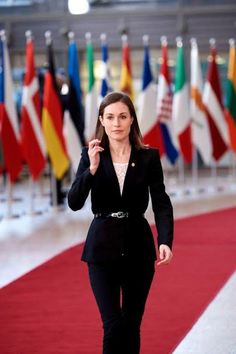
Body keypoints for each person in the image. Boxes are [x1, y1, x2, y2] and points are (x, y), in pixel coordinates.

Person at [67, 91, 174, 354]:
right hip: (101, 250)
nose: (116, 123)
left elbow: (161, 201)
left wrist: (165, 240)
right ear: (101, 121)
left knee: (131, 325)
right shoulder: (90, 155)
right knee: (113, 325)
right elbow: (74, 201)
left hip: (139, 247)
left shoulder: (148, 157)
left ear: (131, 120)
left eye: (123, 117)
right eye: (111, 117)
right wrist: (90, 170)